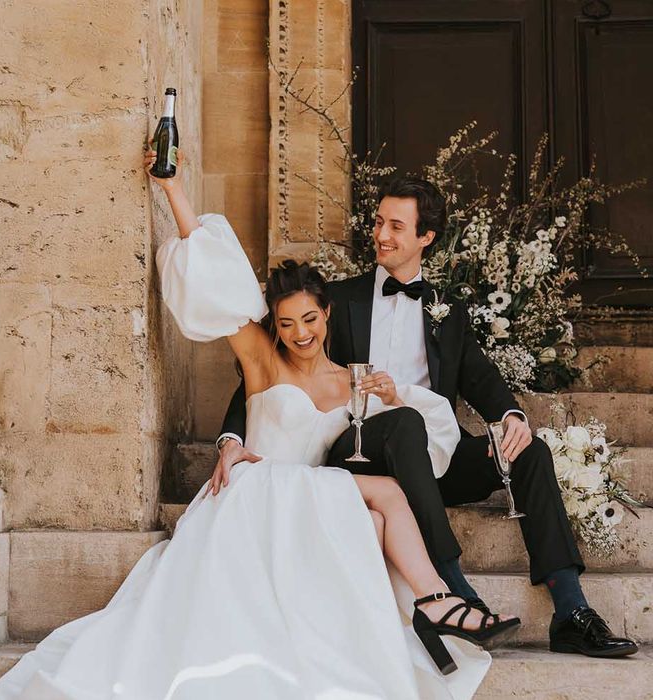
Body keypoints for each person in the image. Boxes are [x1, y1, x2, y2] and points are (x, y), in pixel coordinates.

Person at [0, 152, 518, 700]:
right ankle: (437, 600)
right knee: (379, 503)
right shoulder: (265, 363)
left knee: (389, 497)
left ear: (327, 315)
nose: (299, 333)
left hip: (312, 489)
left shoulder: (350, 380)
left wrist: (401, 394)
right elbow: (222, 284)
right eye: (286, 324)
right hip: (257, 486)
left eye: (309, 320)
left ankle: (432, 601)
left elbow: (427, 420)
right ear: (274, 328)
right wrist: (174, 190)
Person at [218, 177, 638, 659]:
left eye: (396, 226)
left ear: (426, 238)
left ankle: (571, 611)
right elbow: (264, 372)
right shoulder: (334, 301)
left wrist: (512, 415)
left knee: (530, 452)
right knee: (403, 424)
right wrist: (232, 436)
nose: (381, 235)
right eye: (378, 222)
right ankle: (452, 588)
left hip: (432, 457)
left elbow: (479, 377)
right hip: (360, 456)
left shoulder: (447, 311)